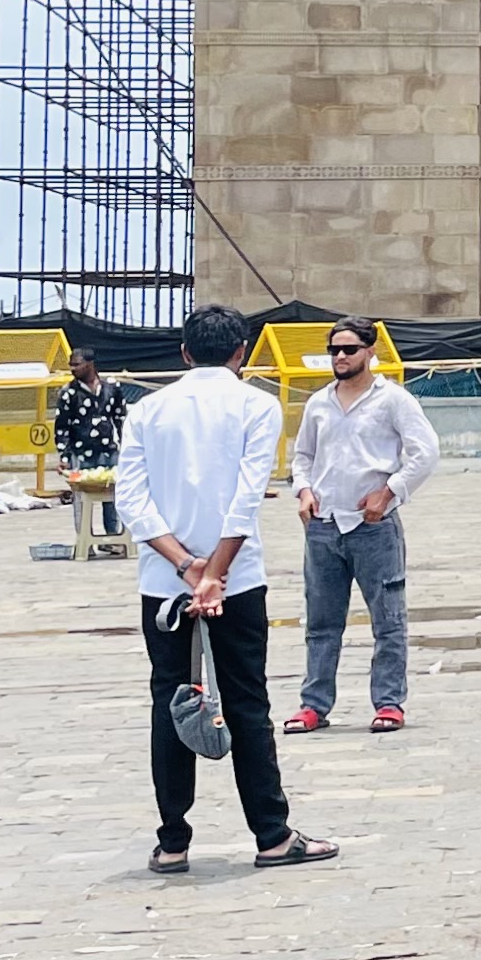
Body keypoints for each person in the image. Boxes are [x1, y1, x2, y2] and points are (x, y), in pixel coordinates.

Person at [116, 304, 335, 875]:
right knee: (246, 701)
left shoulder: (147, 410)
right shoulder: (257, 405)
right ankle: (271, 834)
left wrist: (186, 565)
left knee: (170, 701)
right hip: (235, 579)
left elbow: (131, 500)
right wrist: (214, 572)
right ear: (242, 351)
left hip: (165, 581)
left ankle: (172, 841)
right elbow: (246, 497)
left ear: (185, 352)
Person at [285, 319, 439, 734]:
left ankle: (388, 702)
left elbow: (425, 453)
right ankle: (314, 704)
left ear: (370, 351)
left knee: (388, 621)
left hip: (374, 527)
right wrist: (303, 490)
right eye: (334, 350)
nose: (340, 357)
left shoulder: (393, 401)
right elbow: (302, 456)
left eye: (349, 349)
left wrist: (389, 492)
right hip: (323, 526)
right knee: (321, 624)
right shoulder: (319, 403)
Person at [53, 346, 129, 477]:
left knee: (113, 487)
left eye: (77, 364)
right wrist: (64, 457)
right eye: (71, 365)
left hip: (110, 452)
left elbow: (121, 420)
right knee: (82, 489)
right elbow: (61, 428)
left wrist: (126, 449)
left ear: (89, 364)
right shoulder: (68, 393)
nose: (73, 369)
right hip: (80, 455)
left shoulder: (111, 388)